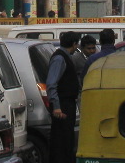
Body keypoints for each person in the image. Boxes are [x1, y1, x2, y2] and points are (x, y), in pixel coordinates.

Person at [46, 31, 80, 163]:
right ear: (74, 44)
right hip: (62, 105)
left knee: (67, 139)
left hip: (67, 103)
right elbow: (51, 83)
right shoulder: (60, 58)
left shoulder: (65, 57)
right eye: (77, 44)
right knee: (61, 140)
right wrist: (56, 106)